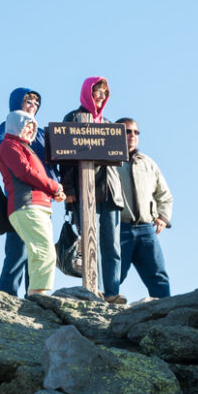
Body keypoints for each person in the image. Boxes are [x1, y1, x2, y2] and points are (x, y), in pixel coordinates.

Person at [0, 87, 57, 296]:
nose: (32, 106)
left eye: (36, 103)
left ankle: (32, 298)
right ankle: (7, 299)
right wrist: (14, 167)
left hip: (44, 197)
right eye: (28, 101)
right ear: (17, 104)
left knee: (38, 250)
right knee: (17, 252)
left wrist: (54, 184)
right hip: (23, 199)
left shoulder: (40, 132)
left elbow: (50, 165)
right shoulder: (10, 127)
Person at [60, 77, 125, 303]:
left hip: (110, 191)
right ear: (87, 93)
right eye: (96, 92)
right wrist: (68, 189)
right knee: (89, 241)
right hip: (84, 189)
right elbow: (65, 159)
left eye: (104, 93)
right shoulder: (73, 118)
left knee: (112, 244)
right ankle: (92, 288)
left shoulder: (108, 124)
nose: (100, 97)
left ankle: (112, 292)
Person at [0, 110, 65, 295]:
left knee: (39, 253)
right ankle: (38, 298)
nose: (30, 129)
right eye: (26, 125)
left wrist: (53, 194)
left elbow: (34, 177)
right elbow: (24, 172)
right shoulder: (9, 145)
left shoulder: (25, 147)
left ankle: (36, 295)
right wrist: (54, 187)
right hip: (27, 205)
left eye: (33, 126)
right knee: (44, 252)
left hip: (40, 206)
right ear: (15, 125)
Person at [116, 117, 173, 298]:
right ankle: (105, 316)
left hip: (146, 229)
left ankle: (166, 316)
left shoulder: (148, 163)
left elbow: (164, 194)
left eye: (135, 132)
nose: (132, 135)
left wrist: (163, 217)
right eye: (127, 131)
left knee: (158, 276)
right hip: (119, 229)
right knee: (113, 277)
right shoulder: (108, 162)